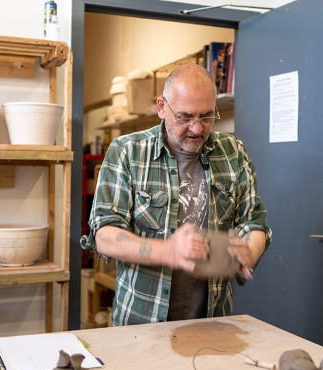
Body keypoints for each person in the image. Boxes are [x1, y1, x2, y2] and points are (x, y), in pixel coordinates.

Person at [81, 63, 272, 326]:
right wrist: (168, 251)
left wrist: (249, 250)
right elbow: (104, 235)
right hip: (141, 326)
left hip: (212, 324)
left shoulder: (232, 152)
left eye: (206, 117)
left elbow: (254, 221)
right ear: (162, 107)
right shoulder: (128, 151)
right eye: (185, 117)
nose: (196, 129)